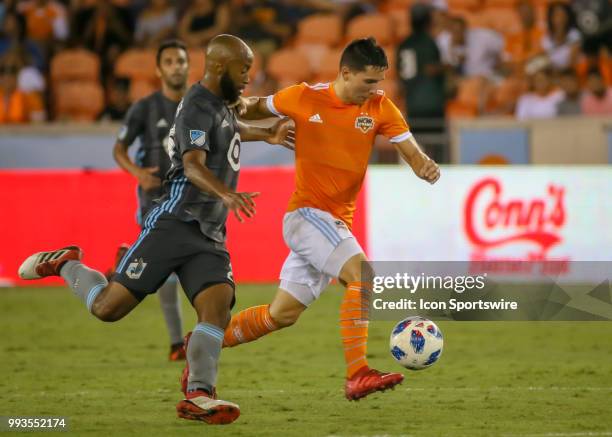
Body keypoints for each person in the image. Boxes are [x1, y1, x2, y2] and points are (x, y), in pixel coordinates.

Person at [18, 34, 291, 425]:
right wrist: (226, 193)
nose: (250, 75)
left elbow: (230, 128)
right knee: (107, 308)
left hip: (209, 234)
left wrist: (267, 133)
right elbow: (194, 165)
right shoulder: (197, 105)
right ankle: (66, 263)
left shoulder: (221, 104)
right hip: (174, 225)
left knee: (216, 309)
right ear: (218, 67)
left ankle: (198, 394)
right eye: (243, 68)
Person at [210, 37, 440, 401]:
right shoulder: (304, 97)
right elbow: (254, 107)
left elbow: (410, 151)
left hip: (332, 224)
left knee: (281, 315)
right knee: (363, 276)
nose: (374, 90)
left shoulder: (381, 107)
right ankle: (358, 373)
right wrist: (217, 108)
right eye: (367, 82)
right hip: (307, 214)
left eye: (378, 82)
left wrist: (423, 165)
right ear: (346, 72)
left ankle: (201, 346)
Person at [111, 40, 189, 361]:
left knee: (194, 271)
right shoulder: (144, 108)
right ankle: (176, 345)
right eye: (169, 61)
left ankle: (126, 262)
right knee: (169, 278)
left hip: (191, 199)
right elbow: (119, 149)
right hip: (154, 198)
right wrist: (139, 173)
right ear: (158, 70)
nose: (176, 66)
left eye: (181, 61)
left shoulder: (198, 106)